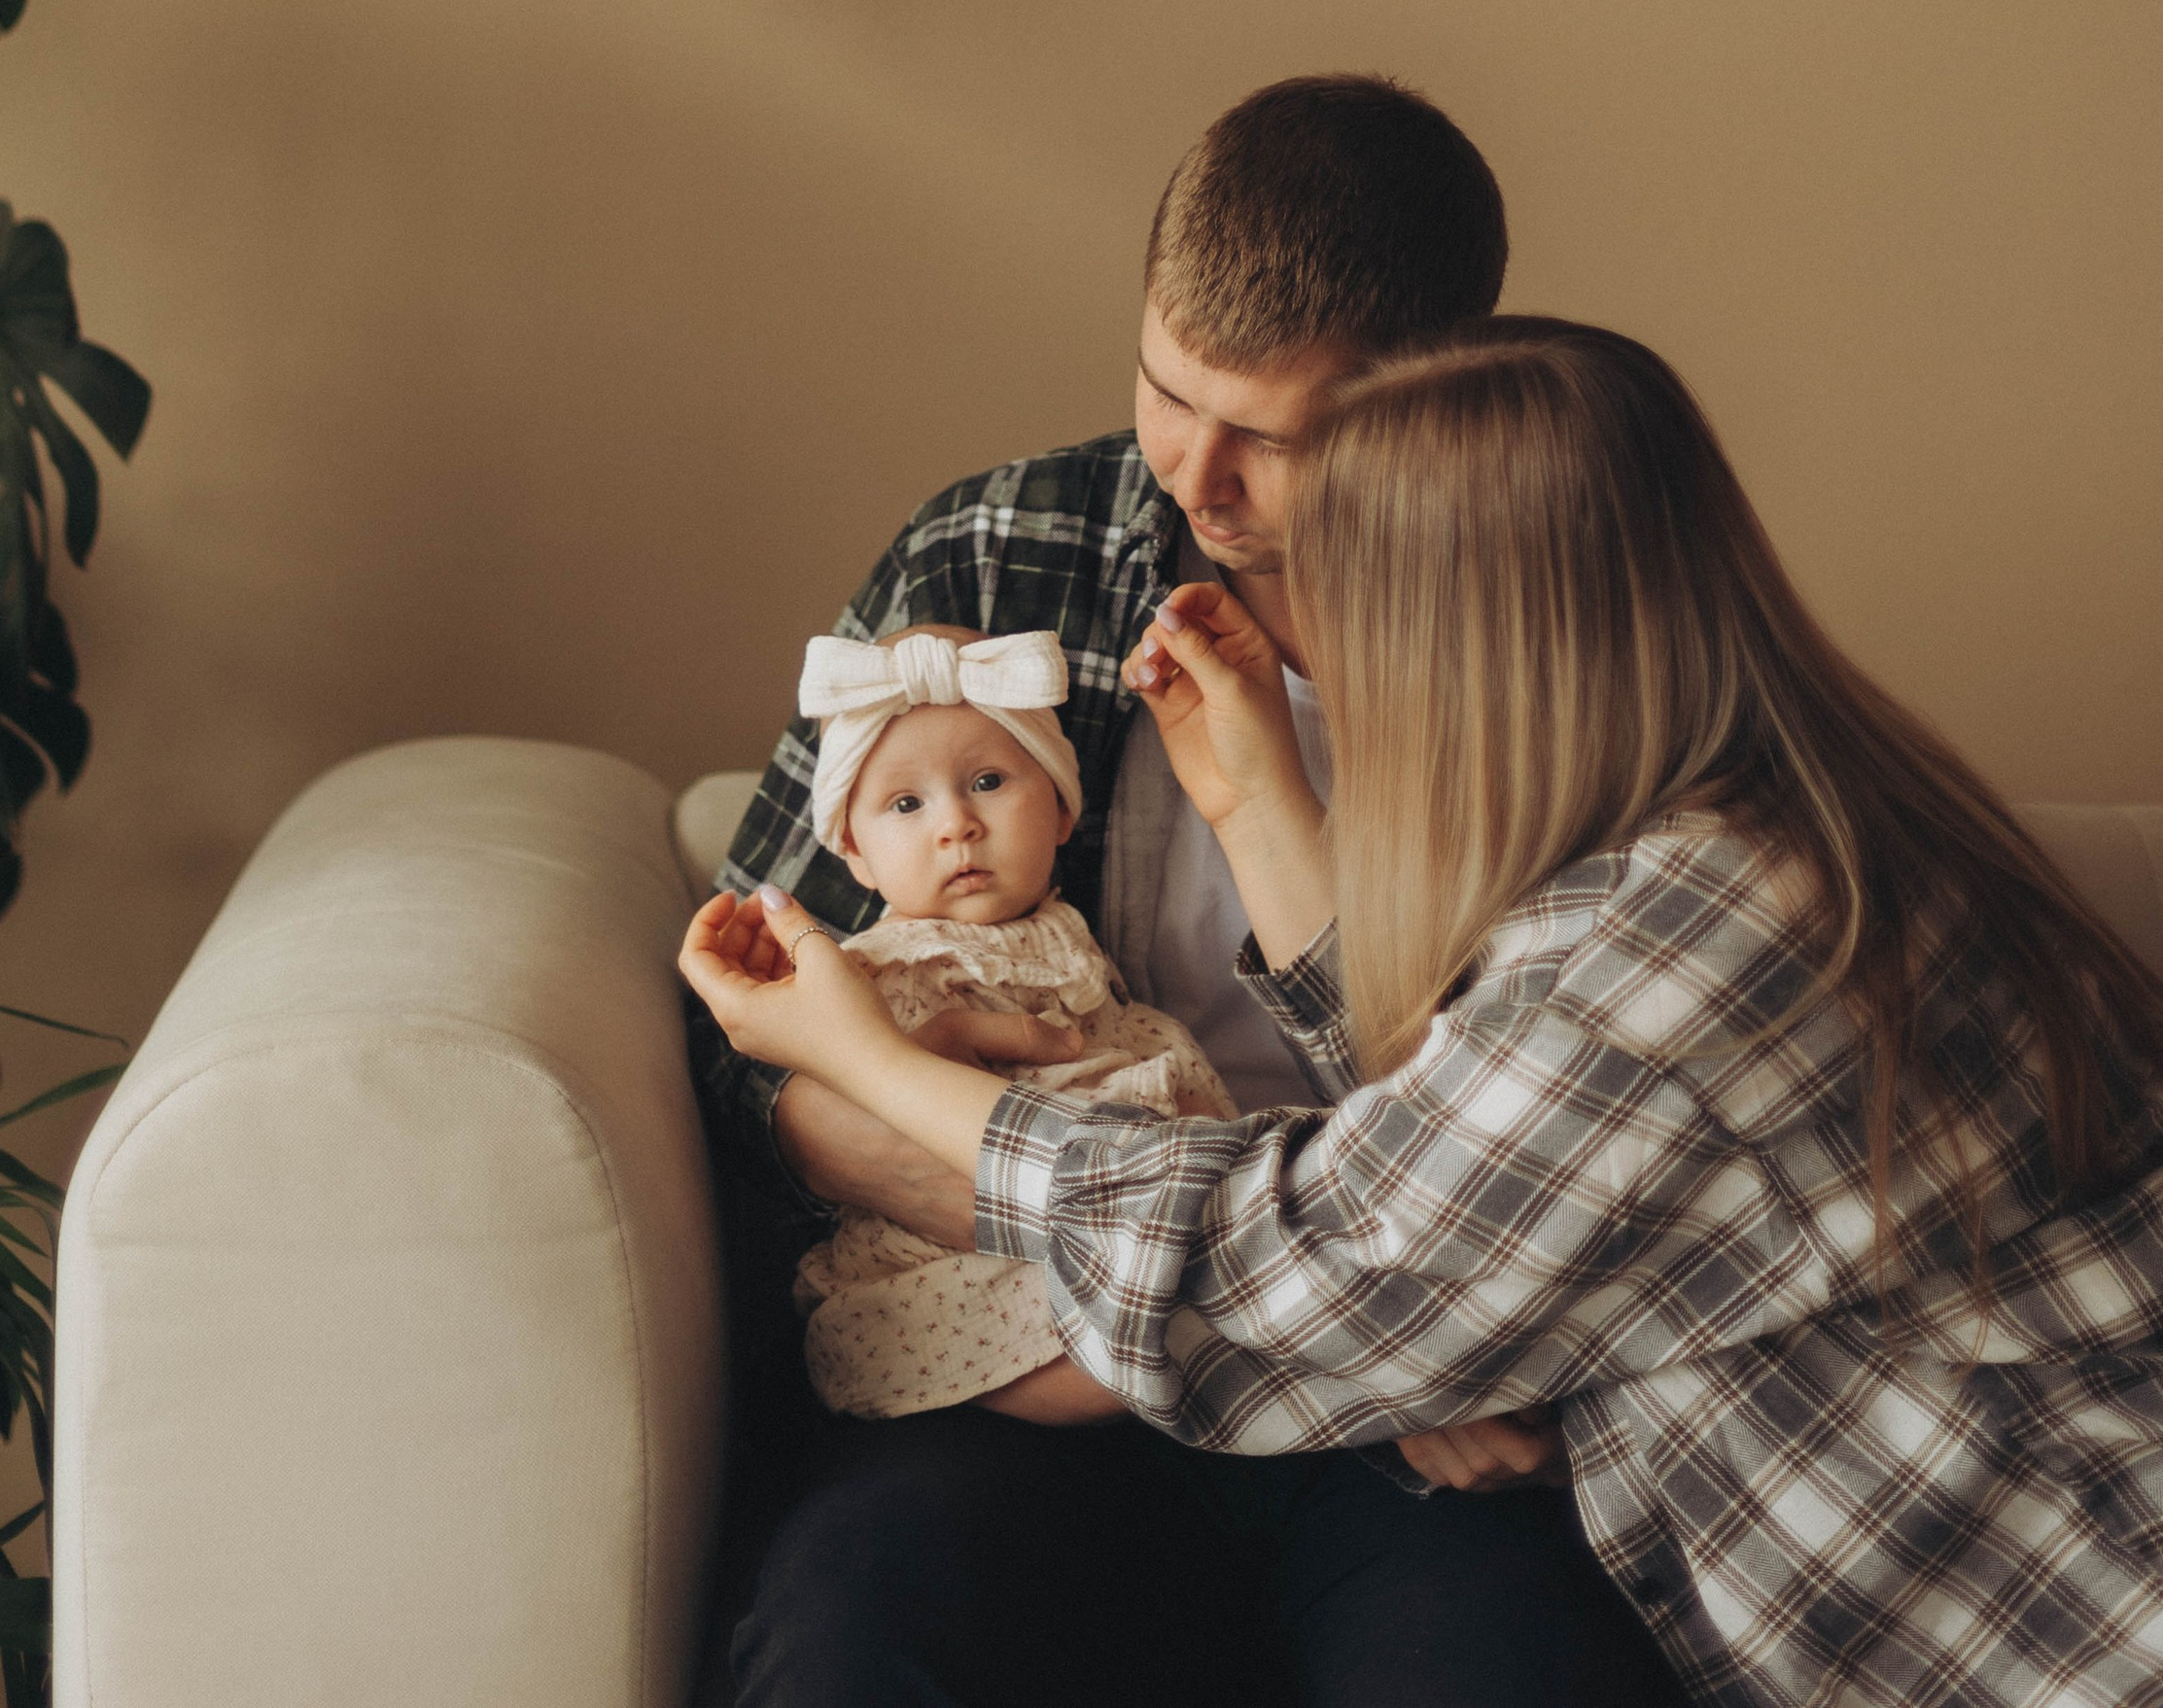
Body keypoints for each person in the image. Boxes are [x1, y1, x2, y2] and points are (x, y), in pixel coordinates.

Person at [685, 320, 2163, 1708]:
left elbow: (1276, 1265)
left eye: (1346, 601)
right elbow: (1468, 1111)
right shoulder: (1781, 826)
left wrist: (862, 1055)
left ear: (1474, 634)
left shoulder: (1682, 953)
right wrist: (1268, 809)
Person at [693, 77, 1687, 1707]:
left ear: (1437, 398)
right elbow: (749, 1057)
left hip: (1404, 1401)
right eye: (1169, 392)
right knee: (854, 1624)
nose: (1198, 479)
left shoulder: (1542, 644)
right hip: (1016, 1351)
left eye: (1275, 438)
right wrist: (1179, 1279)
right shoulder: (998, 562)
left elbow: (1579, 1134)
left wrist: (1369, 1334)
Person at [789, 621, 1235, 1428]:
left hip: (1110, 1189)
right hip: (959, 1235)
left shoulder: (1077, 937)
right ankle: (1127, 1376)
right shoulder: (870, 971)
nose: (955, 822)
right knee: (1109, 1336)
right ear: (854, 851)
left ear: (1062, 810)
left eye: (989, 780)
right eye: (906, 802)